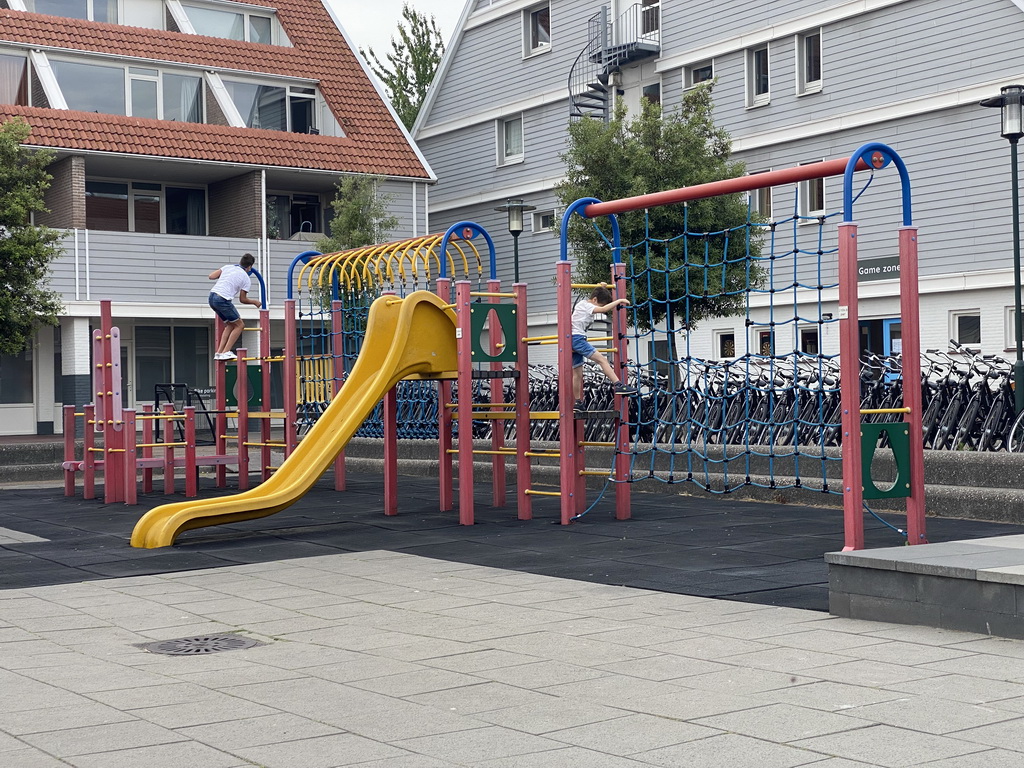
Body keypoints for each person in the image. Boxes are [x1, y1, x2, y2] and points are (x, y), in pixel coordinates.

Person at [571, 284, 637, 414]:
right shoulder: (587, 305)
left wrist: (602, 287)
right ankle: (618, 385)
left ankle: (578, 402)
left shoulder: (584, 304)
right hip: (577, 338)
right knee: (602, 360)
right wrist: (620, 300)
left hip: (573, 339)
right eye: (598, 305)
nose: (598, 308)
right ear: (594, 300)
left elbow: (598, 298)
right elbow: (603, 309)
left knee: (577, 373)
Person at [208, 253, 261, 361]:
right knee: (240, 325)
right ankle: (226, 351)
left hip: (212, 297)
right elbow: (243, 299)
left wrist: (225, 273)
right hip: (223, 299)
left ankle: (219, 352)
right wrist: (255, 302)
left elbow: (211, 276)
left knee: (230, 325)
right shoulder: (246, 278)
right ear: (250, 267)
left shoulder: (228, 267)